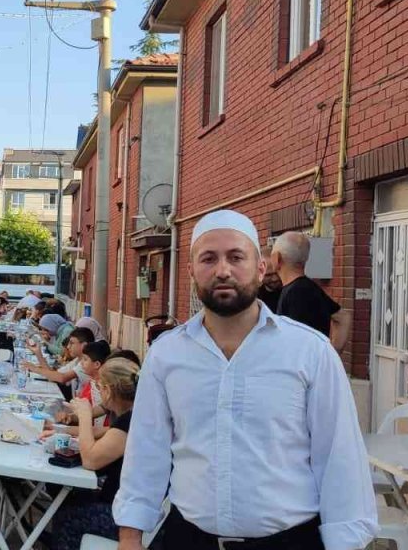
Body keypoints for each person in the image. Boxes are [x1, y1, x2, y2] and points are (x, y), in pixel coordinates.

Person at [112, 210, 377, 550]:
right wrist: (130, 535)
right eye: (208, 258)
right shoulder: (167, 355)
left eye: (236, 257)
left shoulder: (309, 352)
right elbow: (146, 450)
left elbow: (339, 457)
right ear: (191, 270)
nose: (223, 270)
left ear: (262, 267)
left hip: (288, 542)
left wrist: (345, 541)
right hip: (187, 539)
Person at [48, 358, 139, 549]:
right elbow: (100, 434)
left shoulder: (131, 421)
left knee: (67, 516)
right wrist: (56, 429)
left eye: (99, 386)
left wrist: (84, 415)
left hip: (128, 518)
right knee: (63, 494)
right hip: (127, 507)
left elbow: (90, 460)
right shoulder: (133, 416)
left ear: (108, 390)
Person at [272, 231, 346, 352]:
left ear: (277, 258)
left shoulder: (295, 293)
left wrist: (332, 355)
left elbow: (293, 344)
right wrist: (332, 354)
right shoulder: (309, 287)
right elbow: (343, 317)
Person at [23, 327, 95, 395]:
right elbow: (55, 375)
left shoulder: (86, 364)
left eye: (72, 343)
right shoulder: (77, 360)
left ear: (84, 346)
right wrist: (38, 353)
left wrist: (35, 369)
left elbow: (62, 378)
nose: (68, 346)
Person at [257, 245, 283, 310]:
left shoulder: (293, 293)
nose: (275, 279)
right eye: (268, 275)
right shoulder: (254, 299)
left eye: (277, 273)